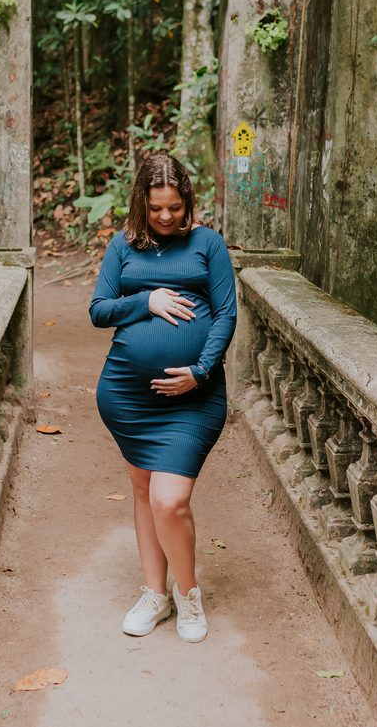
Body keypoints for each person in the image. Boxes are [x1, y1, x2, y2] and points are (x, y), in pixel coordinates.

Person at [89, 153, 237, 643]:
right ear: (142, 203)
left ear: (187, 201)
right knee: (143, 493)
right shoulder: (123, 247)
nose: (167, 217)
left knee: (169, 500)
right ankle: (155, 594)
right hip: (129, 397)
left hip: (194, 398)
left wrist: (200, 371)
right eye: (156, 209)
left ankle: (188, 596)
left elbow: (225, 316)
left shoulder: (208, 245)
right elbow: (99, 310)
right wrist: (145, 301)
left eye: (175, 207)